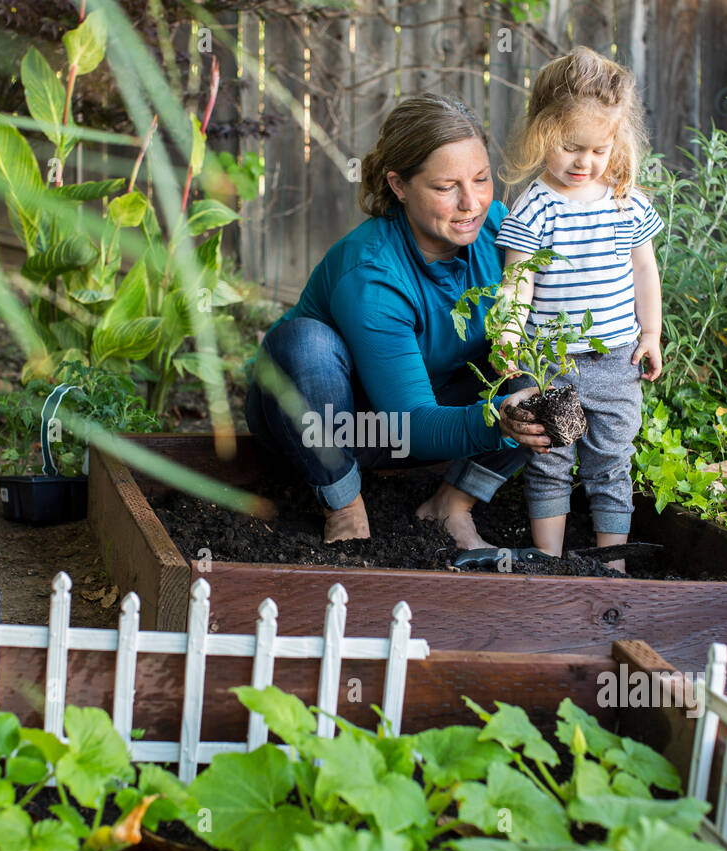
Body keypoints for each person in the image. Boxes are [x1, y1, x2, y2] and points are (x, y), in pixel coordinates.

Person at [244, 93, 550, 546]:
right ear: (400, 185)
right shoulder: (372, 272)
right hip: (337, 425)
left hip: (439, 417)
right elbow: (409, 422)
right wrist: (494, 422)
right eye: (446, 187)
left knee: (550, 363)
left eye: (481, 179)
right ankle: (344, 505)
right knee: (303, 343)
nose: (472, 203)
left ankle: (453, 502)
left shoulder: (500, 230)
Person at [493, 46, 665, 571]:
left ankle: (611, 564)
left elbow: (643, 269)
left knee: (611, 463)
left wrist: (651, 333)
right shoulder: (537, 205)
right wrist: (508, 336)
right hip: (550, 360)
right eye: (570, 147)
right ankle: (549, 559)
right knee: (548, 458)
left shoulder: (623, 199)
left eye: (598, 149)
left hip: (615, 361)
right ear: (543, 133)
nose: (584, 163)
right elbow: (517, 279)